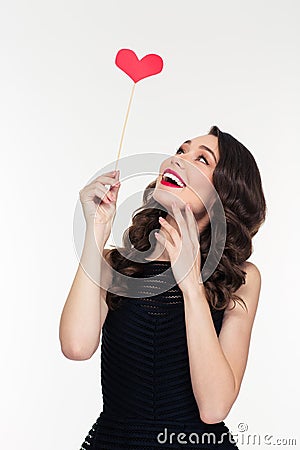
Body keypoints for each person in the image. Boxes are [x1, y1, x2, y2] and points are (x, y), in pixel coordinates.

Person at [59, 125, 266, 449]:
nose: (179, 159)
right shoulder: (115, 264)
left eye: (202, 158)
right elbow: (76, 346)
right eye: (181, 150)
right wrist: (96, 230)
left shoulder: (242, 278)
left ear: (225, 192)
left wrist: (191, 286)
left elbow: (214, 408)